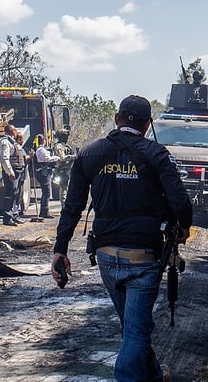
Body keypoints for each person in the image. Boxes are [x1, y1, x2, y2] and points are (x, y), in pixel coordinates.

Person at [51, 95, 193, 382]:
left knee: (132, 326)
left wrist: (60, 249)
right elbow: (180, 202)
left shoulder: (89, 154)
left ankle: (153, 376)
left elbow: (72, 206)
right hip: (143, 258)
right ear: (147, 124)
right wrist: (184, 228)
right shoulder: (157, 155)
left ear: (117, 118)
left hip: (105, 254)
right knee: (135, 329)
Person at [0, 124, 24, 226]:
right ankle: (7, 218)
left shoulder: (13, 142)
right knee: (9, 194)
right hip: (11, 173)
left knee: (15, 194)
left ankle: (14, 215)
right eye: (15, 129)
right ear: (11, 131)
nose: (16, 131)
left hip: (17, 171)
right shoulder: (5, 142)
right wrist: (10, 172)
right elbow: (5, 159)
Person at [34, 134, 60, 218]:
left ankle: (44, 211)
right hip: (44, 173)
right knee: (47, 192)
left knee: (45, 192)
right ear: (43, 140)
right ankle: (45, 211)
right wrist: (56, 158)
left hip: (44, 173)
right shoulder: (41, 150)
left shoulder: (40, 149)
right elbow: (47, 159)